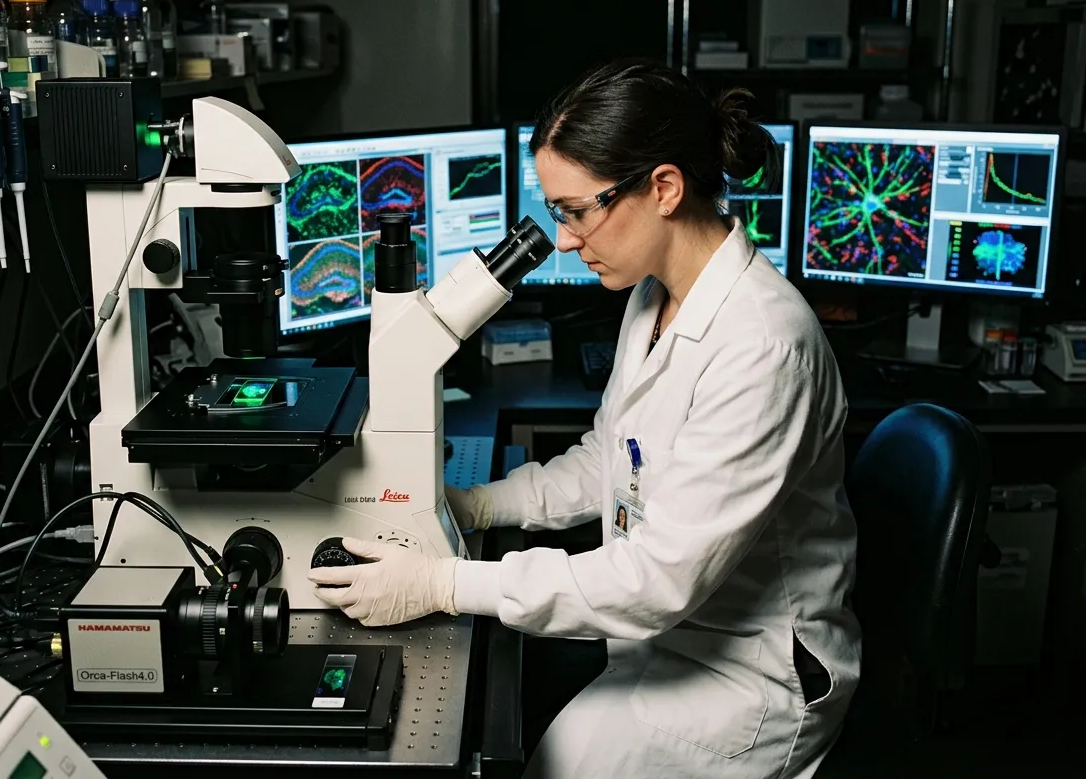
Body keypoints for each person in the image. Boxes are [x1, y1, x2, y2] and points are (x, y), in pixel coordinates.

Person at [310, 57, 860, 779]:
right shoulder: (654, 296)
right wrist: (473, 507)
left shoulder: (762, 345)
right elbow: (611, 459)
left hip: (750, 676)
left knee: (551, 763)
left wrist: (443, 583)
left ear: (664, 187)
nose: (565, 239)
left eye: (575, 210)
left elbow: (656, 582)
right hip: (669, 638)